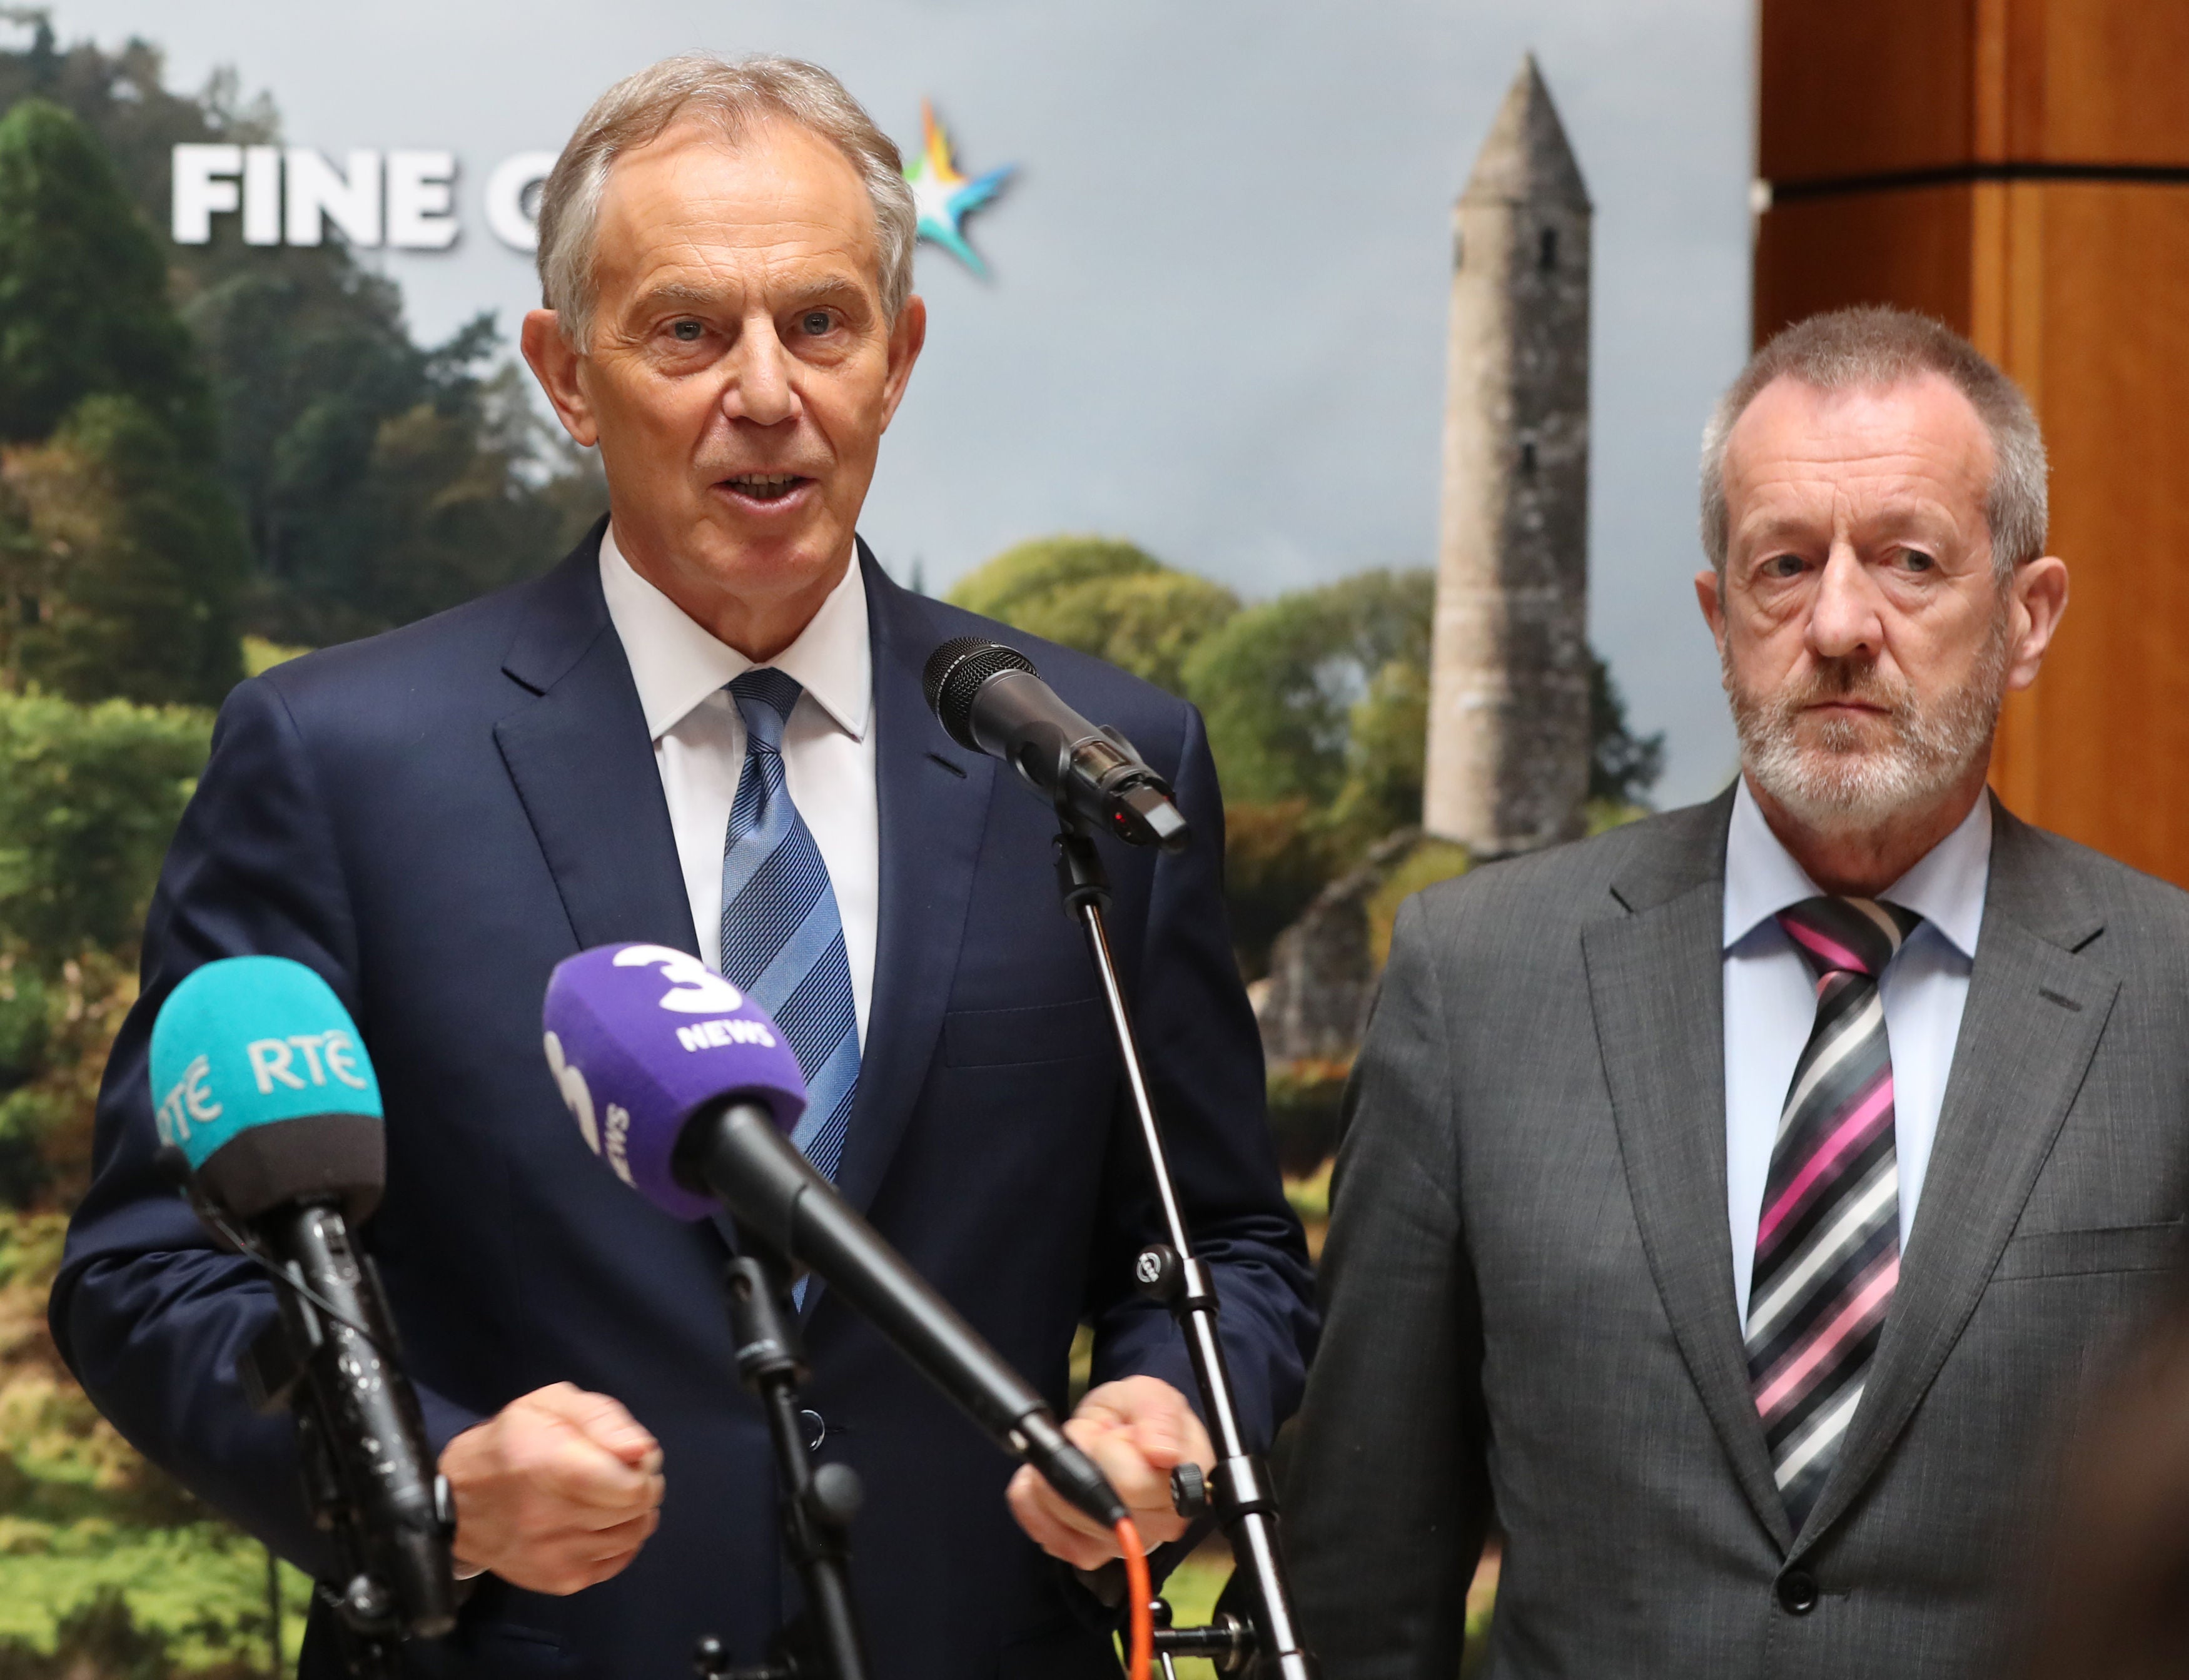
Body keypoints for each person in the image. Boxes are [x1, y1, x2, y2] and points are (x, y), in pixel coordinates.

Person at [52, 55, 1313, 1680]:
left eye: (821, 322)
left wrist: (1174, 1410)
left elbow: (1214, 1243)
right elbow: (149, 1267)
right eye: (687, 331)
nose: (767, 388)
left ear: (898, 357)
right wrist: (424, 1474)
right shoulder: (339, 759)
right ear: (565, 376)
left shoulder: (1082, 756)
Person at [1283, 305, 2189, 1677]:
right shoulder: (1476, 981)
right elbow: (1361, 1581)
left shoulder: (2168, 1000)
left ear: (2025, 615)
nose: (1836, 623)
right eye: (1782, 565)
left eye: (1907, 560)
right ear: (1718, 617)